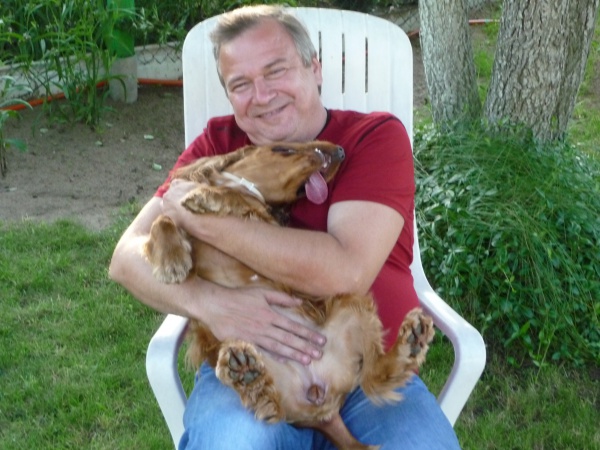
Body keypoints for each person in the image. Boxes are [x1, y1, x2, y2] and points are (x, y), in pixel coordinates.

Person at [109, 5, 461, 449]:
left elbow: (345, 273)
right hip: (251, 370)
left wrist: (203, 220)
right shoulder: (217, 146)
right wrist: (213, 304)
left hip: (362, 367)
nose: (261, 95)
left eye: (276, 71)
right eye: (240, 84)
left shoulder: (371, 137)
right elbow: (126, 258)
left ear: (315, 68)